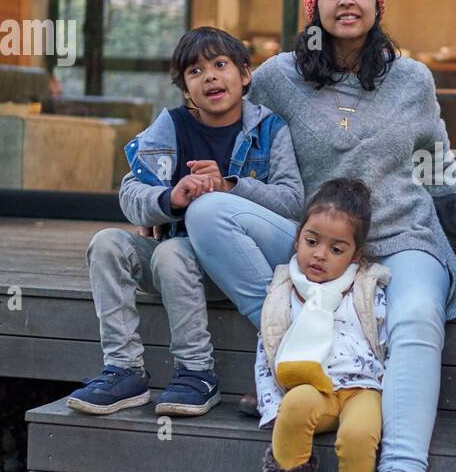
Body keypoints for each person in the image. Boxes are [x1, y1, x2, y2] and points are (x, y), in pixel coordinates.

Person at [184, 0, 456, 472]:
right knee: (209, 217)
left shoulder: (413, 80)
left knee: (419, 314)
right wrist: (164, 188)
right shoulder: (279, 76)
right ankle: (294, 330)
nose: (347, 0)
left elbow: (443, 172)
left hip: (400, 241)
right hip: (311, 242)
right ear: (313, 3)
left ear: (378, 1)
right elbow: (221, 126)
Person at [72, 27, 303, 418]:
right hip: (174, 272)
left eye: (220, 64)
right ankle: (124, 369)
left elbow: (293, 201)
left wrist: (230, 186)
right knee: (108, 243)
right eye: (195, 72)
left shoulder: (269, 130)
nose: (209, 76)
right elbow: (131, 194)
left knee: (173, 250)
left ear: (245, 74)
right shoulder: (171, 127)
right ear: (185, 90)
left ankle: (197, 373)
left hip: (234, 266)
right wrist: (169, 199)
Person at [257, 180, 388, 472]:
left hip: (362, 387)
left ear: (355, 255)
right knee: (293, 408)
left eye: (336, 249)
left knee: (359, 436)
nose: (320, 255)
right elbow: (267, 350)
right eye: (312, 241)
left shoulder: (366, 288)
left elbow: (389, 344)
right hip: (314, 386)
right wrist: (270, 402)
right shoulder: (284, 289)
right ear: (298, 237)